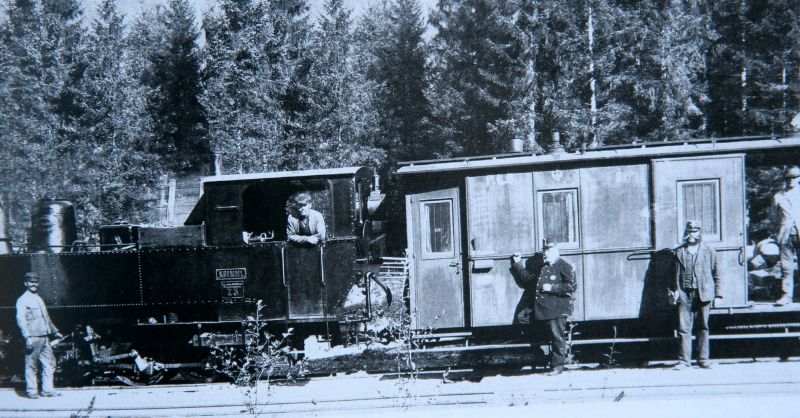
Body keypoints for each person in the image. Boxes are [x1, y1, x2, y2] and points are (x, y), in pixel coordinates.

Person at [511, 239, 577, 375]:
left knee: (557, 337)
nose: (545, 254)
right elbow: (528, 280)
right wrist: (517, 264)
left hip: (556, 309)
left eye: (548, 251)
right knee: (521, 318)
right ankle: (541, 357)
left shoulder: (564, 266)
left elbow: (572, 286)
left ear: (556, 251)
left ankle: (557, 366)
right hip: (543, 309)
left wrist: (553, 288)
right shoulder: (543, 266)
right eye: (544, 251)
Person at [671, 221, 723, 370]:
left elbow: (717, 273)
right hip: (684, 294)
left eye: (694, 231)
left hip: (704, 294)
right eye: (689, 231)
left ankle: (703, 360)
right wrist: (674, 290)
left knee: (703, 327)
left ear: (700, 233)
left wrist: (718, 295)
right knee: (683, 329)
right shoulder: (678, 252)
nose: (691, 234)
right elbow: (672, 275)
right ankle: (684, 361)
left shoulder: (709, 251)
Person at [16, 272, 62, 398]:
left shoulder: (38, 298)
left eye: (36, 282)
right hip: (33, 337)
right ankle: (32, 392)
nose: (34, 284)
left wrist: (55, 331)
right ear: (25, 283)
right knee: (31, 365)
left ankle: (47, 390)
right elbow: (21, 320)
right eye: (31, 282)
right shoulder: (22, 300)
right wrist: (27, 338)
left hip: (44, 337)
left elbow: (46, 318)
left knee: (50, 363)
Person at [772, 165, 800, 306]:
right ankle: (787, 296)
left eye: (794, 177)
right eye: (788, 178)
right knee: (786, 267)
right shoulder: (778, 196)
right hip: (786, 234)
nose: (791, 181)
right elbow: (774, 217)